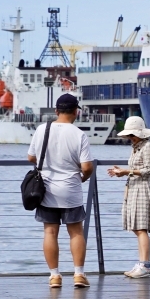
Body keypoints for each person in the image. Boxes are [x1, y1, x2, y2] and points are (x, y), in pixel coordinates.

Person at [27, 93, 95, 288]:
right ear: (76, 111)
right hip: (71, 188)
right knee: (76, 232)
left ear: (56, 111)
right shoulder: (79, 134)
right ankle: (79, 275)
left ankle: (55, 276)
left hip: (46, 189)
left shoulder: (41, 129)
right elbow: (87, 166)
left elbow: (31, 157)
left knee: (49, 232)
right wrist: (83, 177)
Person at [107, 116, 150, 278]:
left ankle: (145, 265)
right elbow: (136, 169)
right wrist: (121, 172)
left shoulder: (147, 147)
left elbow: (148, 170)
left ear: (139, 134)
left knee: (141, 228)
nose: (129, 138)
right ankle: (142, 263)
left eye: (131, 135)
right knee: (137, 228)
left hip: (142, 188)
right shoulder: (136, 147)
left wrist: (125, 171)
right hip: (133, 188)